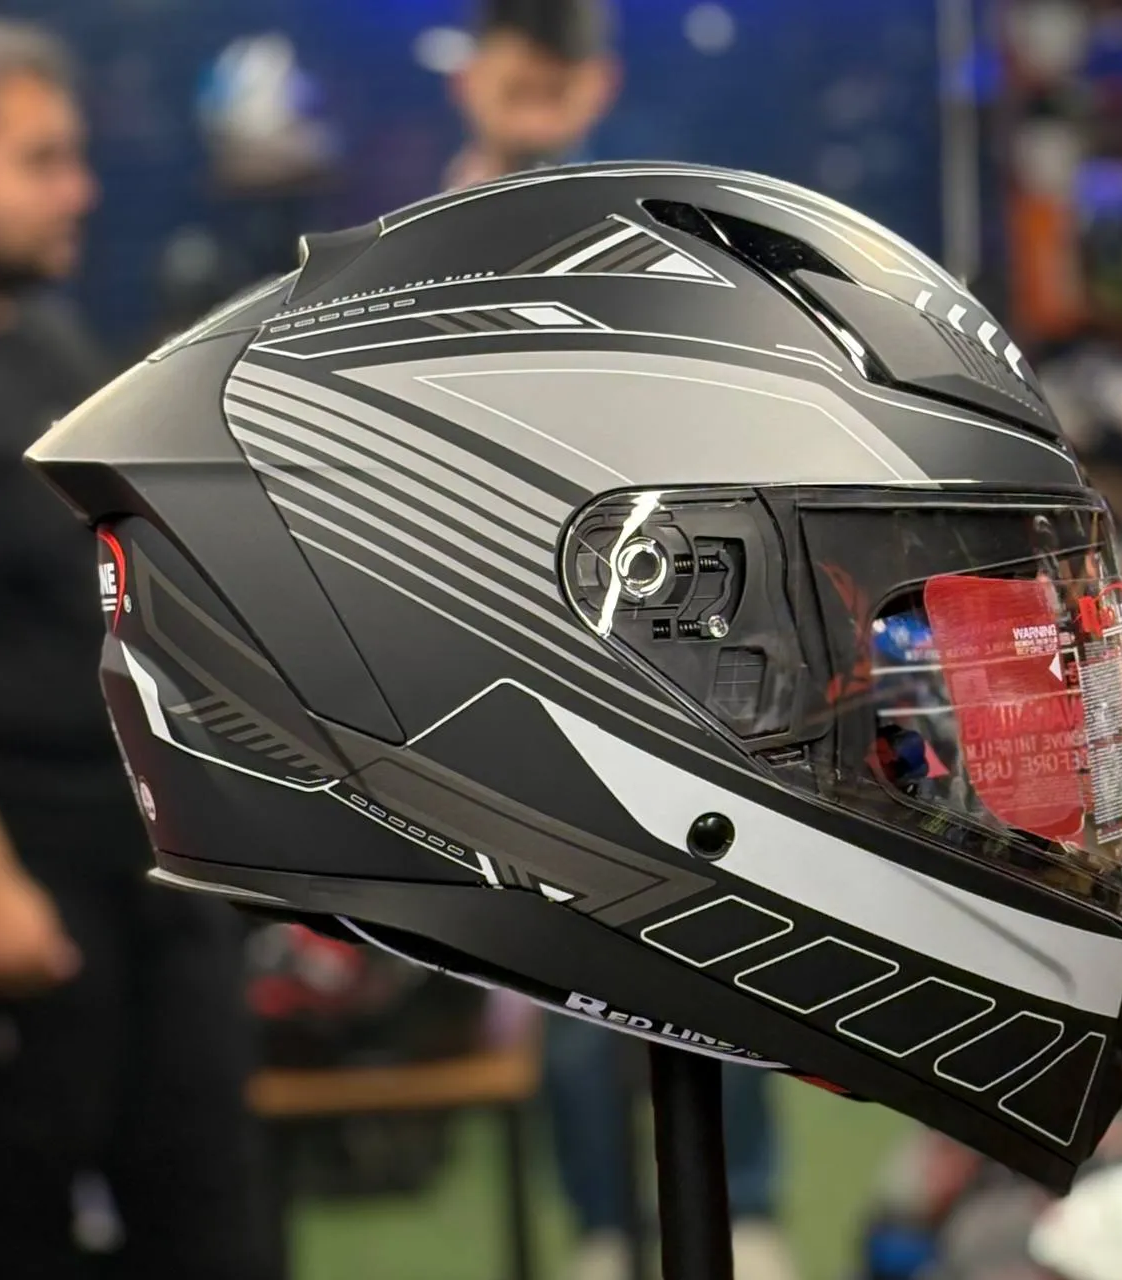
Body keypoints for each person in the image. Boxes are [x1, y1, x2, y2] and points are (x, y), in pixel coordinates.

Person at [444, 7, 796, 1279]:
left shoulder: (644, 228)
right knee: (561, 942)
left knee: (718, 912)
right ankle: (604, 1223)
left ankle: (745, 1208)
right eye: (515, 76)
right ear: (475, 73)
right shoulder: (415, 246)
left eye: (556, 81)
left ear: (593, 83)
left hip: (664, 628)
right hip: (509, 637)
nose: (534, 100)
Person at [0, 22, 271, 1279]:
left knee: (212, 1205)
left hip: (148, 860)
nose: (82, 189)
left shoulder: (49, 342)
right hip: (34, 866)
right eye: (42, 160)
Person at [443, 0, 621, 189]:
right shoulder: (419, 191)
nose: (535, 123)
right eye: (516, 94)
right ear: (465, 78)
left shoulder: (637, 199)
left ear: (601, 86)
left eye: (556, 94)